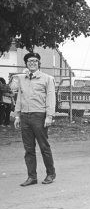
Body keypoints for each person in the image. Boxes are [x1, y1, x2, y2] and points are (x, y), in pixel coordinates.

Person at [14, 52, 56, 186]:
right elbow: (19, 97)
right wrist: (17, 115)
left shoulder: (47, 79)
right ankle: (32, 177)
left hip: (39, 116)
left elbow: (51, 98)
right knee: (28, 149)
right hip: (25, 117)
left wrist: (49, 116)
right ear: (26, 63)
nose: (32, 63)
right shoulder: (22, 79)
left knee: (44, 146)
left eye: (35, 61)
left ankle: (50, 173)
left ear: (39, 63)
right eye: (29, 61)